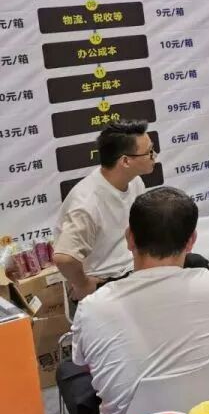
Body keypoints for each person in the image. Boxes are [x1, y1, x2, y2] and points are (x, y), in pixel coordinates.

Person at [59, 188, 209, 414]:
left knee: (69, 371)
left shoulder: (94, 307)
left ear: (129, 238)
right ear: (191, 241)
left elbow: (85, 363)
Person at [54, 120, 158, 299]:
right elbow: (64, 258)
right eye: (149, 152)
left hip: (134, 270)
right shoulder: (86, 203)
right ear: (125, 161)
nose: (154, 155)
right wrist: (84, 284)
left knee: (193, 264)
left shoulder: (135, 181)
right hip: (105, 281)